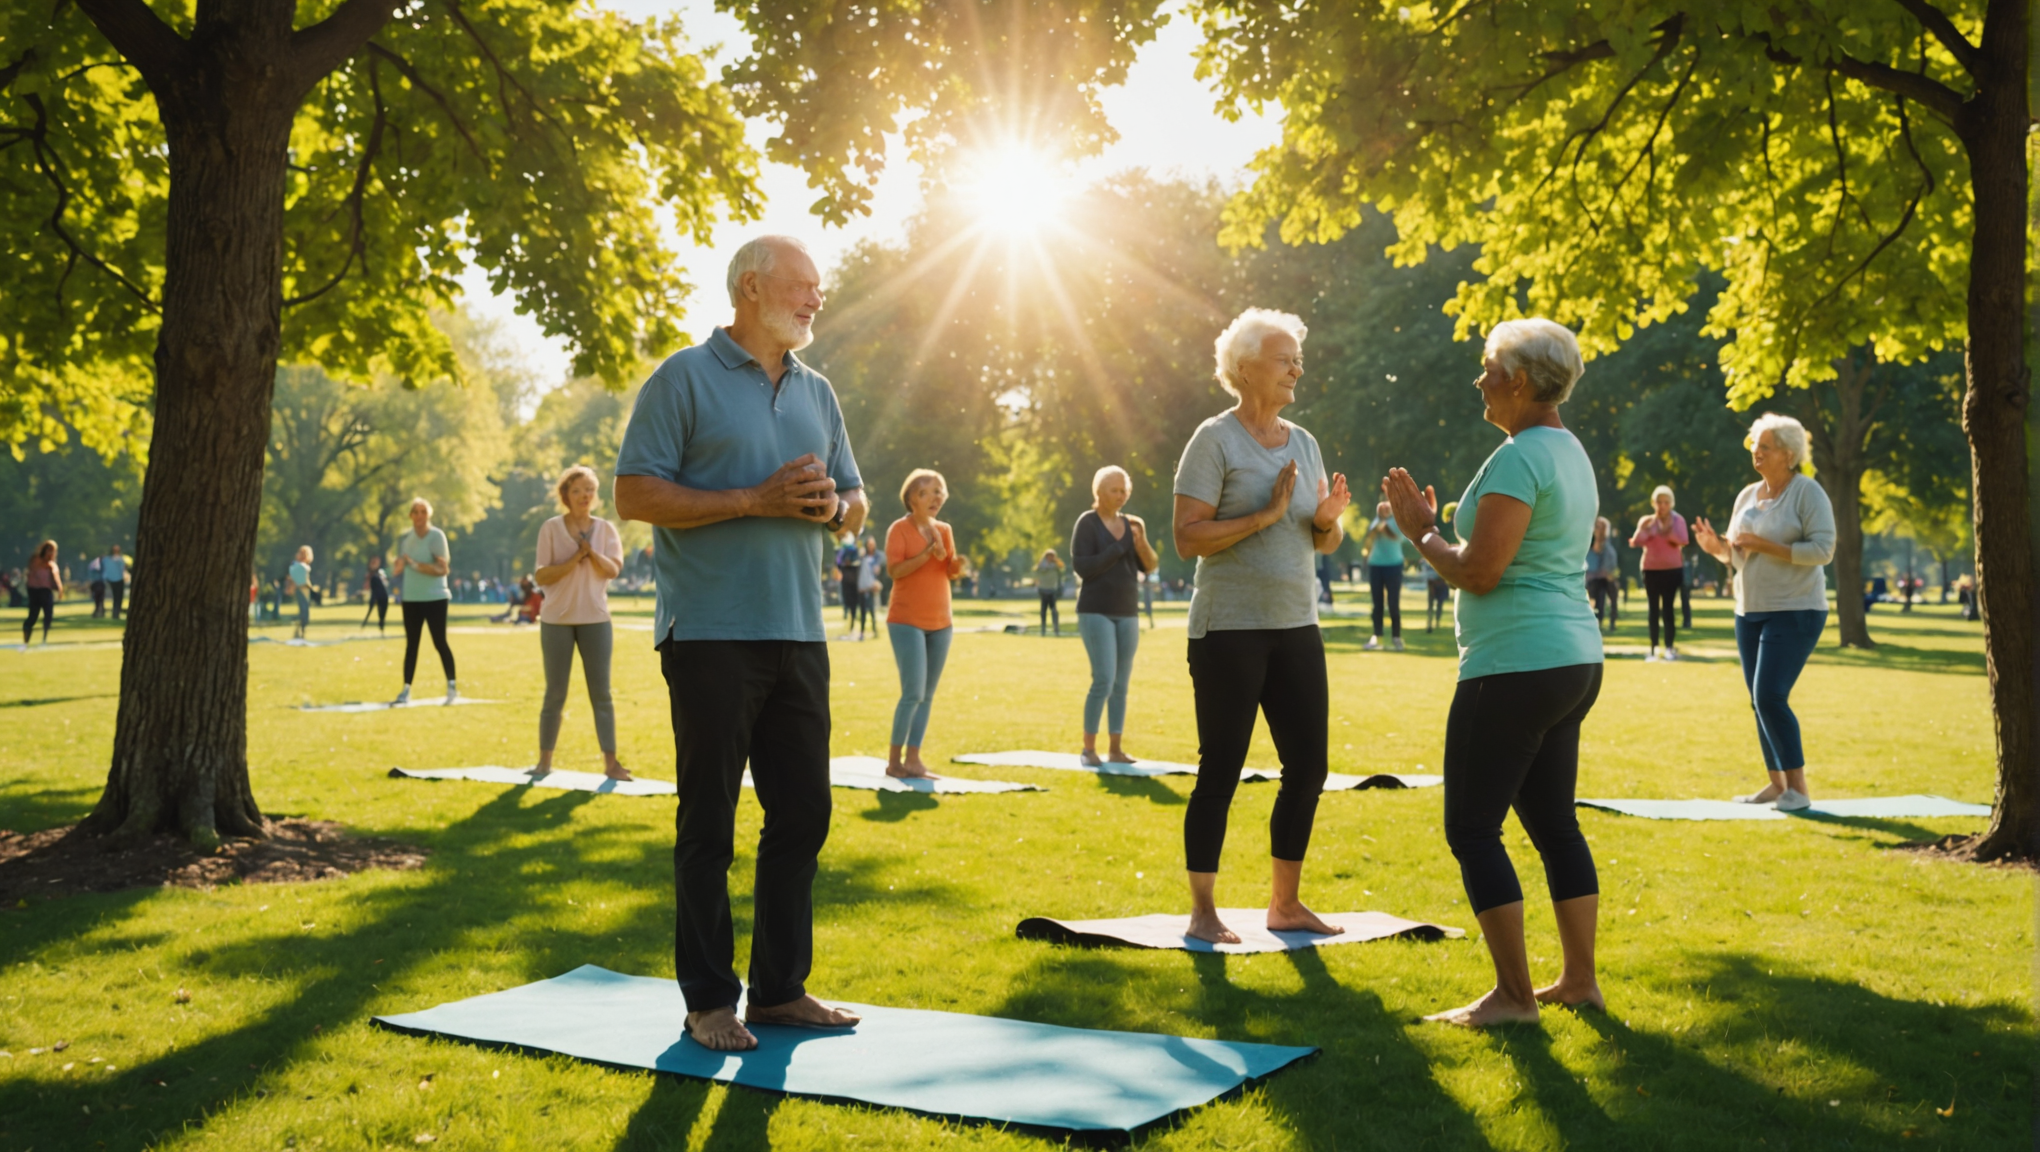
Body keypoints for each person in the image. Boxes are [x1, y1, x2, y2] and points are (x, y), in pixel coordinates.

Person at [613, 233, 867, 1052]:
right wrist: (753, 499)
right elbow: (634, 492)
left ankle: (781, 990)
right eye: (802, 286)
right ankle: (709, 1001)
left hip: (801, 629)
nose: (815, 299)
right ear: (751, 288)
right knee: (710, 824)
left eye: (818, 289)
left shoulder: (818, 391)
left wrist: (830, 508)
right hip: (712, 635)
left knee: (804, 815)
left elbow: (854, 500)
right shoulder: (682, 378)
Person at [1381, 317, 1606, 1028]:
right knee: (1555, 826)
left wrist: (1420, 529)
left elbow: (1479, 571)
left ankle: (1513, 997)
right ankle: (1578, 983)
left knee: (1473, 830)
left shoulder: (1521, 456)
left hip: (1516, 664)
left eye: (1487, 369)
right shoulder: (1567, 451)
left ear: (1518, 379)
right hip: (1571, 660)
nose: (1479, 381)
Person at [1172, 307, 1351, 946]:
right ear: (1245, 368)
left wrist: (1327, 518)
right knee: (1221, 767)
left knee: (1308, 767)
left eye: (1297, 359)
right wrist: (1264, 515)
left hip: (1297, 625)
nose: (1296, 369)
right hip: (1228, 631)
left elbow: (1321, 541)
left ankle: (1285, 903)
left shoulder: (1303, 441)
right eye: (1284, 359)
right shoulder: (1214, 440)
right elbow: (1187, 538)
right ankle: (1202, 911)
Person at [1692, 412, 1836, 812]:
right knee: (1758, 700)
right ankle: (1777, 785)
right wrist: (1716, 549)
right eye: (1754, 445)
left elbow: (1824, 551)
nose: (1756, 452)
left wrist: (1763, 544)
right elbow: (1740, 557)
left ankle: (1799, 790)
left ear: (1788, 454)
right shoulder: (1747, 496)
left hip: (1795, 609)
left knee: (1770, 695)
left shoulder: (1808, 493)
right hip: (1749, 609)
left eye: (1765, 446)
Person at [531, 465, 630, 782]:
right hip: (556, 621)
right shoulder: (550, 528)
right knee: (555, 693)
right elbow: (541, 575)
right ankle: (544, 761)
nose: (584, 495)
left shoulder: (605, 530)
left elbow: (613, 569)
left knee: (601, 694)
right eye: (577, 490)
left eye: (589, 489)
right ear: (565, 496)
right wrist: (575, 558)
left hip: (595, 620)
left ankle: (611, 763)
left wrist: (591, 553)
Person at [1071, 464, 1160, 766]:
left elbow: (1149, 565)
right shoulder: (1087, 523)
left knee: (1121, 683)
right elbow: (1083, 567)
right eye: (1115, 490)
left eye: (1125, 490)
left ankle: (1116, 749)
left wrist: (1139, 542)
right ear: (1100, 492)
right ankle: (1088, 749)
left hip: (1127, 612)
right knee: (1104, 680)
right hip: (1096, 611)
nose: (1121, 495)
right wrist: (1116, 550)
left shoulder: (1134, 524)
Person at [885, 469, 964, 778]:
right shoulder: (899, 530)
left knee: (927, 695)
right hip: (906, 621)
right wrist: (928, 552)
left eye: (939, 491)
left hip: (941, 622)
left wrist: (949, 557)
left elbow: (952, 572)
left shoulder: (945, 529)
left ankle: (914, 759)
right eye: (927, 492)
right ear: (912, 499)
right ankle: (894, 762)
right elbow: (895, 571)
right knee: (912, 693)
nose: (936, 497)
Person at [391, 497, 457, 705]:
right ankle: (406, 690)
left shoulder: (437, 537)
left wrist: (416, 565)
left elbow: (442, 569)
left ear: (429, 515)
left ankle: (452, 686)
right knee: (412, 645)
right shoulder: (406, 540)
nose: (420, 516)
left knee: (439, 642)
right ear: (410, 516)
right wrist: (399, 567)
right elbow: (398, 568)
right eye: (416, 512)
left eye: (423, 512)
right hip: (411, 598)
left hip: (435, 597)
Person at [1629, 486, 1688, 661]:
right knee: (1653, 609)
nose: (1662, 506)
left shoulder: (1678, 521)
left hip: (1672, 570)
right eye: (1659, 502)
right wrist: (1646, 530)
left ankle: (1669, 647)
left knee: (1668, 610)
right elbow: (1635, 541)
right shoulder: (1647, 521)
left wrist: (1668, 532)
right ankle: (1653, 648)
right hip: (1651, 570)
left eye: (1666, 502)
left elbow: (1684, 540)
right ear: (1653, 503)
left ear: (1671, 504)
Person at [1362, 502, 1407, 650]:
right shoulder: (1375, 522)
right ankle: (1376, 635)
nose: (1385, 510)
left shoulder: (1397, 522)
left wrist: (1385, 528)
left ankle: (1396, 637)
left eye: (1387, 508)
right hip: (1375, 565)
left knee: (1393, 603)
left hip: (1394, 565)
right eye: (1382, 508)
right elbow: (1368, 542)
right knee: (1377, 604)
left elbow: (1399, 538)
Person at [1584, 516, 1620, 632]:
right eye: (1597, 527)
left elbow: (1611, 565)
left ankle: (1612, 621)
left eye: (1602, 527)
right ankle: (1596, 620)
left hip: (1606, 578)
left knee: (1612, 589)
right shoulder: (1588, 543)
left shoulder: (1609, 546)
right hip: (1593, 578)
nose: (1599, 530)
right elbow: (1589, 564)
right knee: (1597, 592)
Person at [21, 540, 60, 646]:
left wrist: (59, 589)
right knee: (33, 616)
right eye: (48, 550)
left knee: (48, 614)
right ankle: (26, 640)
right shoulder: (36, 559)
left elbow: (55, 579)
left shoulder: (52, 565)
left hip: (46, 590)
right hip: (35, 590)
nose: (50, 553)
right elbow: (36, 567)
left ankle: (44, 639)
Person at [852, 536, 880, 639]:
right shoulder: (862, 557)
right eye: (869, 544)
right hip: (863, 588)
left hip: (872, 587)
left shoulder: (877, 557)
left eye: (872, 544)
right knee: (863, 612)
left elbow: (878, 571)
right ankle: (862, 633)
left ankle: (874, 631)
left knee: (872, 611)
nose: (871, 546)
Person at [1034, 548, 1065, 635]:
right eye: (1049, 556)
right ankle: (1043, 629)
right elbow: (1039, 570)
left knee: (1054, 610)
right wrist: (1047, 563)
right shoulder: (1042, 564)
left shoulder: (1056, 565)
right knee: (1043, 610)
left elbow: (1062, 566)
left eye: (1052, 556)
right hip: (1043, 589)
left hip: (1052, 589)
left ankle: (1056, 629)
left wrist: (1056, 560)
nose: (1051, 557)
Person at [834, 532, 862, 626]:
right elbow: (838, 562)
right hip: (846, 580)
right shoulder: (841, 550)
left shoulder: (853, 550)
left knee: (853, 600)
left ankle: (853, 615)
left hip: (853, 581)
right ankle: (847, 612)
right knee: (847, 599)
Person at [287, 546, 314, 640]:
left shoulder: (303, 567)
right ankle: (299, 631)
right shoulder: (297, 566)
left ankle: (301, 630)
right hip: (300, 590)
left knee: (305, 611)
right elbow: (295, 580)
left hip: (305, 591)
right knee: (303, 611)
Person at [361, 556, 391, 634]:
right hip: (375, 595)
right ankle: (364, 625)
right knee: (371, 610)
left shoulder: (381, 572)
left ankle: (381, 627)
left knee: (382, 614)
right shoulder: (370, 574)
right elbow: (366, 585)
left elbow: (386, 583)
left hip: (383, 595)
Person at [1422, 558, 1451, 632]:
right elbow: (1428, 577)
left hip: (1441, 584)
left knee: (1440, 604)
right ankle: (1429, 623)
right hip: (1432, 584)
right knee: (1430, 605)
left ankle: (1437, 621)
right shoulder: (1427, 562)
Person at [103, 544, 128, 619]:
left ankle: (116, 613)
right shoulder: (119, 559)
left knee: (116, 597)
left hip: (113, 579)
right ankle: (116, 613)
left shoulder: (107, 559)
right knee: (118, 597)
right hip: (117, 579)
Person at [87, 554, 105, 618]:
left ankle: (99, 611)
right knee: (99, 599)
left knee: (98, 599)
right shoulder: (99, 565)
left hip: (96, 584)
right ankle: (100, 611)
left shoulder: (93, 564)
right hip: (98, 584)